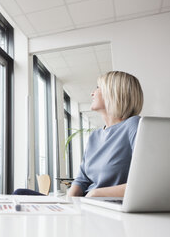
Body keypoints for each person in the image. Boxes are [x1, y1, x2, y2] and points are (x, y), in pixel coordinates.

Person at [14, 71, 144, 197]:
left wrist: (95, 193)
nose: (92, 93)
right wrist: (67, 205)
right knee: (20, 194)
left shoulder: (134, 125)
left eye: (98, 88)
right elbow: (81, 180)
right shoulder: (95, 136)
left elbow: (144, 183)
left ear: (114, 93)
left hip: (104, 207)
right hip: (84, 204)